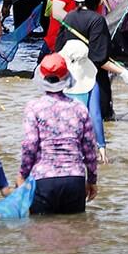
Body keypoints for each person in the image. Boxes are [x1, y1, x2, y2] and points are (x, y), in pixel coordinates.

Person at [20, 53, 98, 214]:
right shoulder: (79, 108)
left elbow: (30, 144)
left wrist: (23, 174)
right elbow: (89, 148)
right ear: (66, 79)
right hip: (74, 179)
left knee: (42, 234)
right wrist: (92, 180)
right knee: (74, 233)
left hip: (43, 180)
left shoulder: (34, 107)